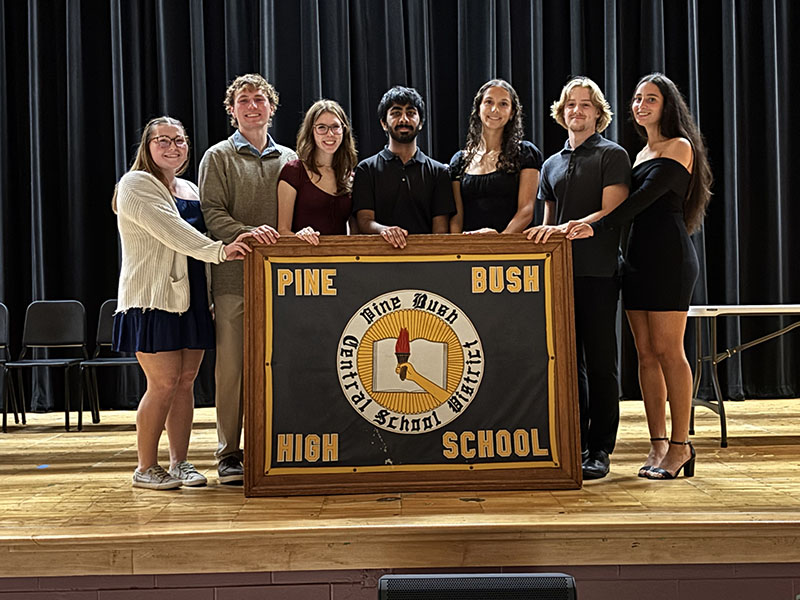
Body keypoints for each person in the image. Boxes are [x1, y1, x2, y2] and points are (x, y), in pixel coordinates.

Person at [565, 73, 712, 480]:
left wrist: (592, 225)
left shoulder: (679, 147)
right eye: (636, 99)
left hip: (669, 259)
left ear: (667, 106)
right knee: (645, 354)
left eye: (651, 99)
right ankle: (657, 443)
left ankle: (681, 446)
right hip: (635, 259)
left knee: (669, 351)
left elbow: (641, 203)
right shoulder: (640, 154)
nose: (641, 105)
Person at [112, 116, 253, 490]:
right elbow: (175, 233)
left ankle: (179, 462)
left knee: (187, 381)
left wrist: (206, 293)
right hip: (153, 298)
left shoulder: (189, 189)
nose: (172, 146)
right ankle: (145, 467)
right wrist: (220, 251)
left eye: (179, 140)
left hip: (190, 297)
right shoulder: (135, 184)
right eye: (163, 140)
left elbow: (194, 243)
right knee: (163, 383)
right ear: (148, 145)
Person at [526, 77, 631, 480]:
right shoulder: (549, 165)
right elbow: (546, 225)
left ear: (598, 113)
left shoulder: (613, 154)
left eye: (585, 105)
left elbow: (611, 214)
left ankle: (601, 448)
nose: (577, 111)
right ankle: (576, 441)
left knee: (601, 363)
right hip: (560, 277)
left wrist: (561, 229)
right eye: (571, 104)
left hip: (600, 272)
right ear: (561, 111)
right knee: (568, 364)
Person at [200, 74, 297, 485]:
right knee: (233, 369)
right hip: (233, 279)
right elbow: (212, 213)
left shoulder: (292, 158)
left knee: (282, 366)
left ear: (272, 107)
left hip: (282, 284)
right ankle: (229, 453)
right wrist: (250, 235)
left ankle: (275, 443)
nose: (252, 105)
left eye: (260, 99)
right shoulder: (217, 157)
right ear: (232, 109)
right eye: (244, 100)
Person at [352, 86, 455, 248]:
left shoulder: (439, 172)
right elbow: (364, 221)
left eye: (411, 113)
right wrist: (385, 231)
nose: (404, 119)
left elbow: (440, 230)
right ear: (384, 123)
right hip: (377, 262)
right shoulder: (366, 169)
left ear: (420, 123)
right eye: (396, 113)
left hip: (425, 263)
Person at [449, 79, 543, 234]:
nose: (494, 109)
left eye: (503, 104)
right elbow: (456, 218)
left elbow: (526, 211)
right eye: (488, 102)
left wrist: (498, 242)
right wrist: (459, 250)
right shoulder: (460, 160)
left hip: (509, 251)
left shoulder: (525, 153)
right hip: (468, 252)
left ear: (512, 112)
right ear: (478, 108)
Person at [277, 99, 358, 245]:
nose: (330, 134)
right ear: (311, 131)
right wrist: (299, 237)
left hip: (341, 261)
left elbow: (354, 232)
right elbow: (282, 231)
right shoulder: (293, 171)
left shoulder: (350, 177)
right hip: (304, 263)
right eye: (322, 127)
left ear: (344, 130)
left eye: (335, 127)